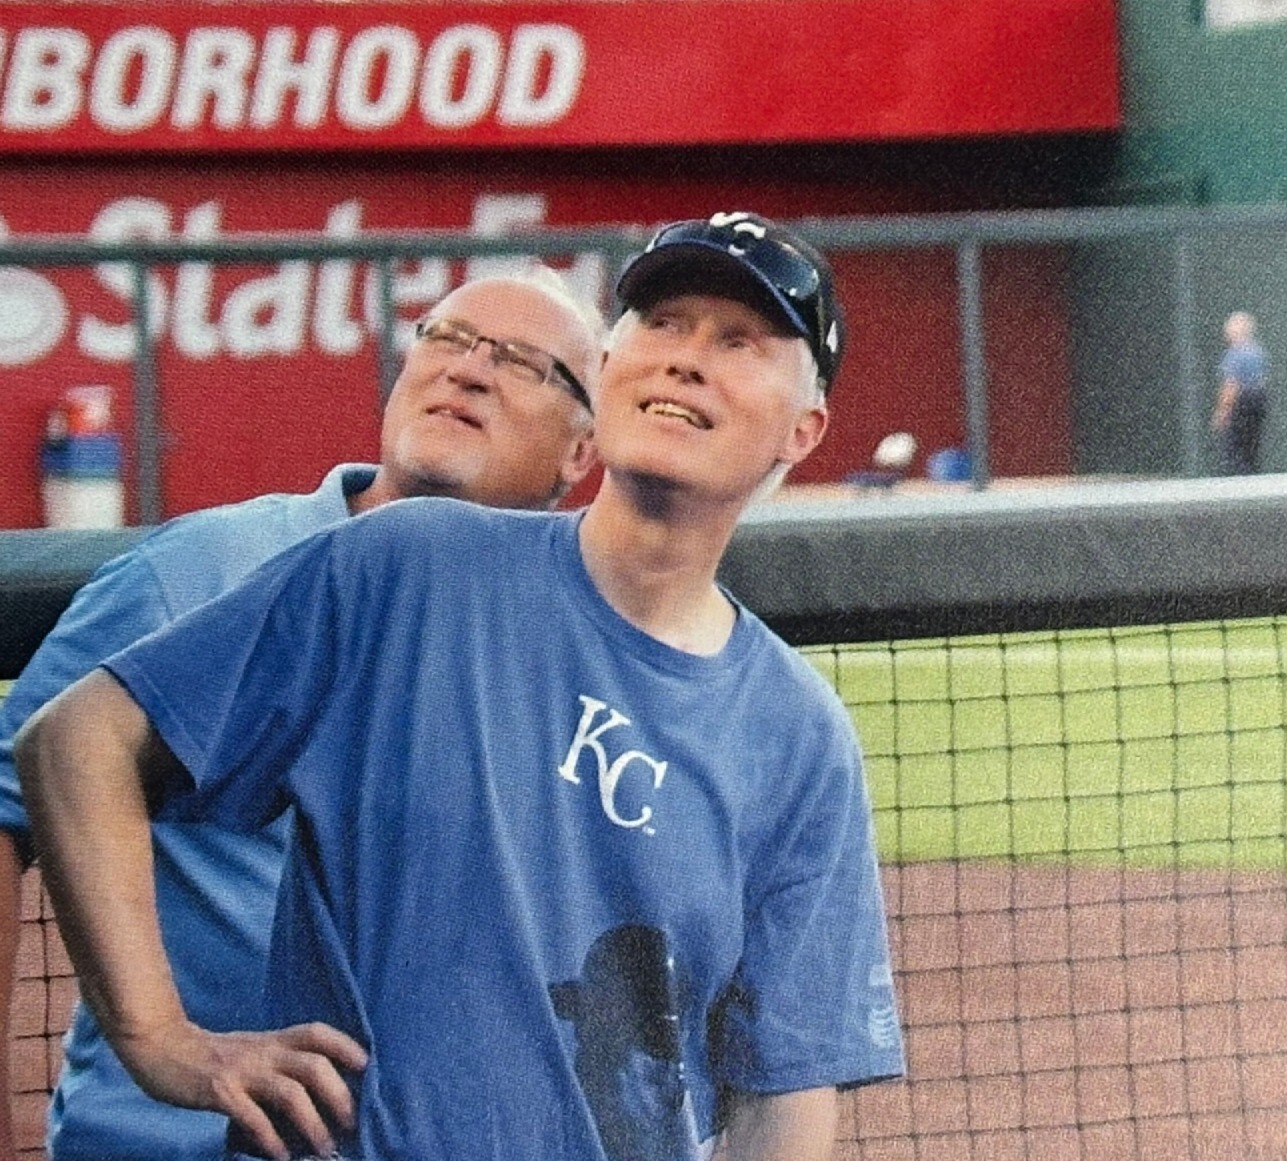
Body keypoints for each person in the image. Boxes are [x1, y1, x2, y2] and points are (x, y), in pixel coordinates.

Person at [16, 211, 905, 1161]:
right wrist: (161, 1040)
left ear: (802, 429)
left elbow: (783, 1098)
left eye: (738, 341)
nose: (685, 358)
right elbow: (72, 741)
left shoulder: (798, 733)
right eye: (661, 321)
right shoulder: (408, 568)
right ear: (609, 372)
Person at [0, 266, 602, 1161]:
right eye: (443, 338)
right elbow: (8, 806)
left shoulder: (580, 644)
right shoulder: (205, 568)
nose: (467, 370)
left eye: (520, 361)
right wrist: (159, 1041)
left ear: (579, 454)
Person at [1211, 310, 1270, 475]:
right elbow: (1262, 381)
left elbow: (1231, 386)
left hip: (1241, 404)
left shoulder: (1235, 355)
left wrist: (1223, 411)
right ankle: (1250, 479)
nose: (1226, 330)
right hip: (1258, 402)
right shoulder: (1258, 352)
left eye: (1230, 326)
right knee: (1251, 447)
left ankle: (1239, 482)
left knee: (1234, 449)